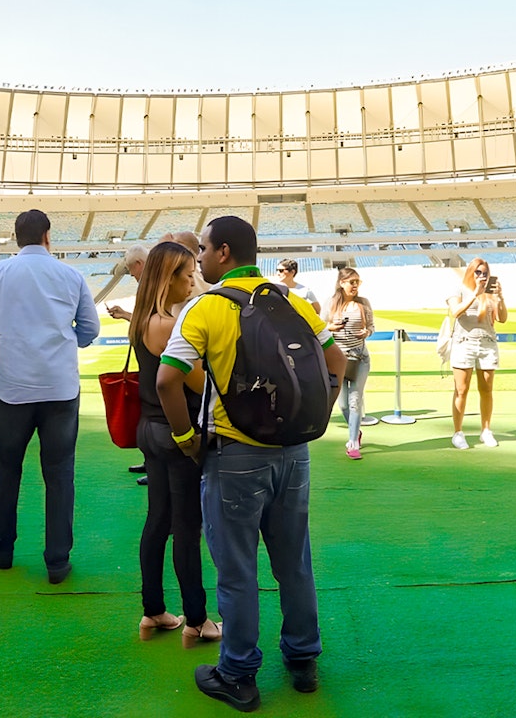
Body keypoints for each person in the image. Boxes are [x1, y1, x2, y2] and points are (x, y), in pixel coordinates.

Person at [157, 215, 345, 711]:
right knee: (294, 562)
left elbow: (166, 380)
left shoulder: (205, 307)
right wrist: (314, 420)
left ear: (223, 253)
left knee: (237, 570)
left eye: (203, 250)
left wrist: (185, 439)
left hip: (235, 455)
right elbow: (337, 364)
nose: (197, 259)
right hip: (293, 453)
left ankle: (238, 673)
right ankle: (303, 660)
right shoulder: (292, 300)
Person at [0, 209, 101, 584]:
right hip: (60, 390)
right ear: (48, 236)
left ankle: (2, 549)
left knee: (4, 473)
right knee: (60, 477)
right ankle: (57, 561)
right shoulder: (70, 275)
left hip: (12, 390)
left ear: (16, 236)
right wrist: (62, 341)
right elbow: (90, 329)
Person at [131, 241, 221, 647]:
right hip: (176, 430)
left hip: (149, 428)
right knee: (186, 528)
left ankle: (153, 610)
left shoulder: (143, 317)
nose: (192, 281)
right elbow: (198, 381)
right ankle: (198, 619)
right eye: (187, 275)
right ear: (170, 279)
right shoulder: (171, 324)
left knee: (158, 521)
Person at [447, 258, 508, 449]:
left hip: (487, 343)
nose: (482, 276)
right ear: (471, 272)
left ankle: (486, 430)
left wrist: (500, 297)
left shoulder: (491, 294)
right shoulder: (459, 289)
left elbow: (502, 318)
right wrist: (475, 294)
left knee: (487, 390)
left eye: (485, 273)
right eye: (478, 272)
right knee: (461, 389)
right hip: (464, 343)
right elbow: (456, 311)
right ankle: (458, 432)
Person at [325, 267, 375, 460]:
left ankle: (353, 442)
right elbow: (320, 328)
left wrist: (366, 333)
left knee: (355, 401)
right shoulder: (330, 303)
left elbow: (371, 326)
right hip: (339, 360)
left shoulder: (363, 303)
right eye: (352, 282)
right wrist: (332, 327)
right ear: (341, 283)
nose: (355, 286)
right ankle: (356, 431)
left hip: (360, 358)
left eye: (358, 282)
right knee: (343, 405)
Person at [107, 243, 149, 321]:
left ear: (139, 263)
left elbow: (149, 323)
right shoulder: (148, 286)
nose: (131, 274)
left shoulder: (157, 287)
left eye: (130, 269)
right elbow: (145, 322)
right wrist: (124, 314)